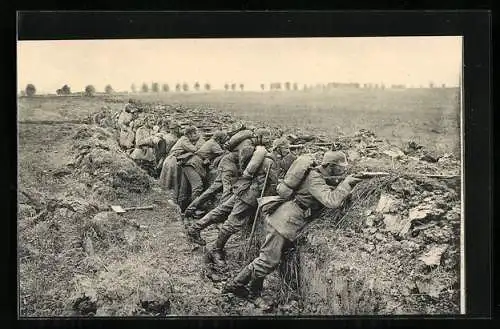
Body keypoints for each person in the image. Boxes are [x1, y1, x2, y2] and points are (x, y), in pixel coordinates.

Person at [222, 151, 362, 299]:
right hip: (284, 221)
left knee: (268, 256)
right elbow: (331, 201)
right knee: (268, 260)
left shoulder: (316, 174)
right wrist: (346, 183)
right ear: (331, 166)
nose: (343, 170)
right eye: (340, 167)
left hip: (282, 217)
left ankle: (254, 291)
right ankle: (235, 285)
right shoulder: (314, 179)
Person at [185, 128, 274, 248]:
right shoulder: (251, 147)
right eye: (266, 137)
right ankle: (216, 249)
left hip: (242, 186)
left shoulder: (255, 148)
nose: (269, 140)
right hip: (245, 188)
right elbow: (246, 168)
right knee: (232, 218)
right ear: (259, 137)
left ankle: (195, 228)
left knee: (221, 207)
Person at [158, 126, 203, 209]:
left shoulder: (185, 139)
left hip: (174, 160)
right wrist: (199, 142)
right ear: (190, 134)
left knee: (175, 181)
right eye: (195, 133)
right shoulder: (184, 139)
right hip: (173, 161)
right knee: (175, 181)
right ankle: (173, 201)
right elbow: (193, 149)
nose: (197, 135)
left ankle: (174, 200)